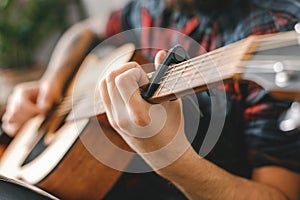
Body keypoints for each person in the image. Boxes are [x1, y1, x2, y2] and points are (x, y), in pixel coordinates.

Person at [2, 0, 300, 199]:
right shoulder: (152, 6)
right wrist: (50, 85)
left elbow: (278, 195)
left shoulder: (274, 28)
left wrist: (170, 159)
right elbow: (86, 30)